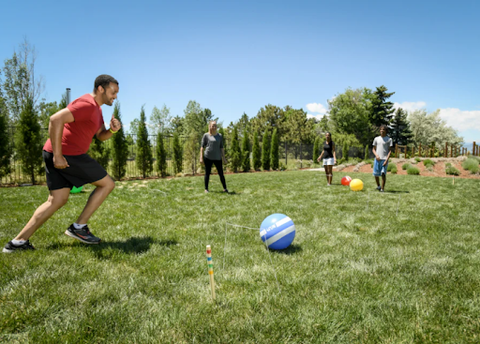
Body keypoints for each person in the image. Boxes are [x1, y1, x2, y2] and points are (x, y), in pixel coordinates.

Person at [3, 75, 121, 253]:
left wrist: (112, 130)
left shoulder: (96, 110)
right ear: (101, 89)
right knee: (107, 184)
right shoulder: (87, 104)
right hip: (67, 154)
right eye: (113, 92)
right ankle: (79, 227)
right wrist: (58, 156)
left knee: (56, 200)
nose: (115, 96)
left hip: (56, 152)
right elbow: (55, 119)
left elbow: (100, 136)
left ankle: (17, 243)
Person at [200, 121, 228, 193]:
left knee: (221, 173)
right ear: (210, 126)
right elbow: (202, 147)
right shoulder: (206, 135)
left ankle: (225, 188)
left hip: (217, 158)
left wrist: (224, 158)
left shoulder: (220, 136)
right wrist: (201, 158)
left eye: (215, 125)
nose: (214, 127)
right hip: (208, 157)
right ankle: (206, 189)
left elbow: (221, 147)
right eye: (213, 126)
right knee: (207, 173)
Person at [372, 125, 393, 192]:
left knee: (383, 173)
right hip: (377, 159)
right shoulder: (376, 139)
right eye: (381, 129)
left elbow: (390, 151)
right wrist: (376, 156)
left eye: (383, 129)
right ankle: (378, 186)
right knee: (376, 174)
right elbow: (373, 149)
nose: (382, 131)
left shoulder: (389, 139)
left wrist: (386, 160)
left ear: (386, 131)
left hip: (384, 159)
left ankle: (382, 188)